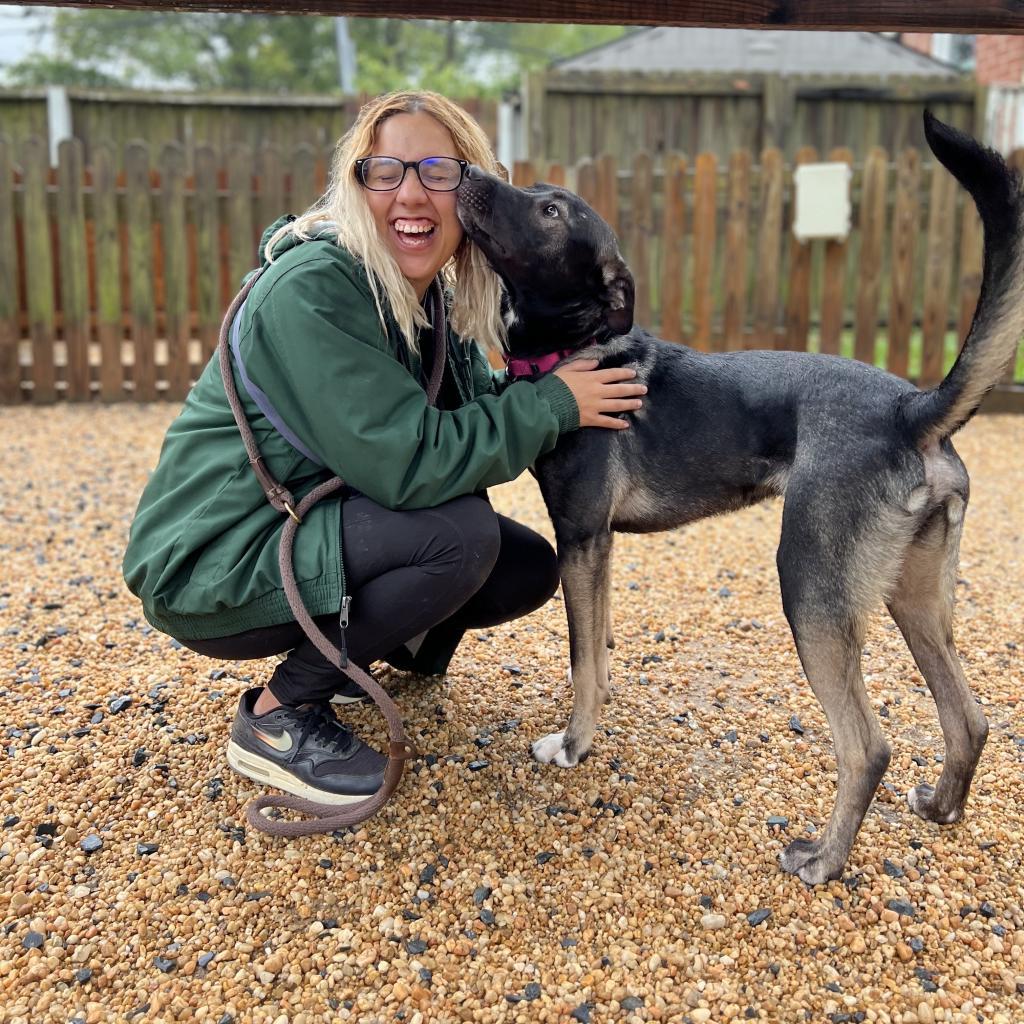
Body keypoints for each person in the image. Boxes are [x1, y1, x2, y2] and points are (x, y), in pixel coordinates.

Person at [122, 90, 645, 806]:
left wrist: (568, 386)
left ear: (474, 194)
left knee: (522, 566)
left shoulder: (425, 298)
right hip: (216, 556)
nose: (411, 193)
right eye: (385, 171)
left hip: (305, 522)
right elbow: (410, 462)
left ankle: (374, 652)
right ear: (356, 185)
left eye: (438, 171)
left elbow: (472, 411)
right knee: (457, 539)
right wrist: (556, 403)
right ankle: (281, 718)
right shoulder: (313, 290)